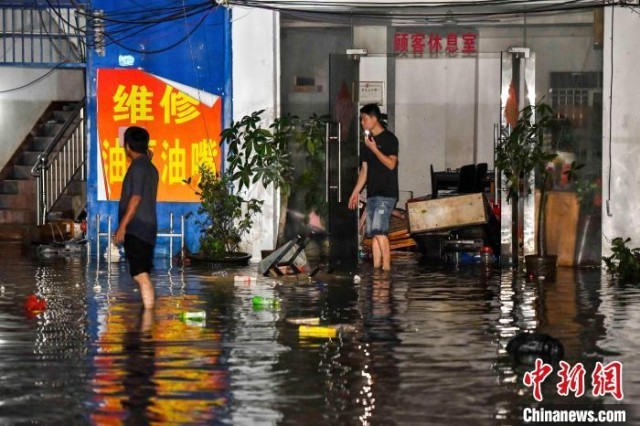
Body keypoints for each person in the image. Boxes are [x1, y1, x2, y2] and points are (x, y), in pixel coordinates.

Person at [348, 104, 399, 271]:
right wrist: (355, 192)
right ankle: (377, 271)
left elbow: (391, 164)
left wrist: (375, 149)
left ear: (374, 118)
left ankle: (386, 271)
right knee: (373, 233)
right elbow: (364, 170)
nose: (362, 123)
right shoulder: (367, 144)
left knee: (380, 231)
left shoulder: (389, 139)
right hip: (373, 193)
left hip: (387, 193)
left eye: (364, 119)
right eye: (361, 119)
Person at [114, 126, 159, 309]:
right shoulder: (149, 167)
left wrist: (122, 226)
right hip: (147, 227)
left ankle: (148, 321)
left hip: (137, 227)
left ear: (127, 146)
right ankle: (147, 317)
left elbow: (136, 198)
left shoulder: (138, 167)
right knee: (141, 272)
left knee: (140, 274)